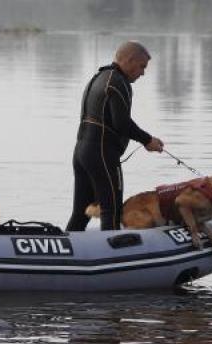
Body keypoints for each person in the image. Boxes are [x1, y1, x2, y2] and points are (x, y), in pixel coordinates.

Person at [66, 41, 165, 231]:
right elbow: (121, 123)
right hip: (101, 154)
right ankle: (112, 256)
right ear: (129, 60)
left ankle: (63, 251)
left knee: (81, 212)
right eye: (142, 66)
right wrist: (148, 140)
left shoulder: (100, 77)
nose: (143, 73)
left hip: (82, 152)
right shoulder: (117, 82)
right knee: (111, 211)